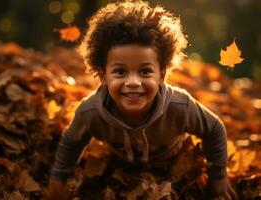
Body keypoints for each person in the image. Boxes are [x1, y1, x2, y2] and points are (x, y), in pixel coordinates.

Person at [46, 0, 237, 199]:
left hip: (173, 168)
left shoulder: (180, 107)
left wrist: (218, 176)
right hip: (120, 168)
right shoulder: (90, 112)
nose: (133, 82)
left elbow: (214, 129)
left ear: (161, 75)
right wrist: (57, 178)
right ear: (103, 76)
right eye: (120, 72)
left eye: (145, 71)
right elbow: (71, 142)